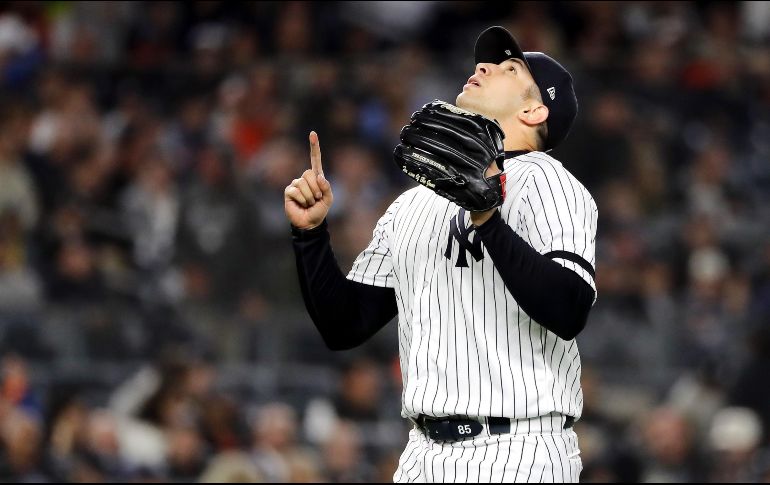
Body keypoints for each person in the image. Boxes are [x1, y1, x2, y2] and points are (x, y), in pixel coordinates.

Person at [285, 25, 597, 483]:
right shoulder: (412, 203)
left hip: (520, 448)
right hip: (422, 454)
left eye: (510, 68)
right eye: (484, 62)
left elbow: (569, 309)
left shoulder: (548, 182)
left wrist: (487, 217)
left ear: (534, 110)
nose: (484, 66)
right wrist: (311, 235)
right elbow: (346, 324)